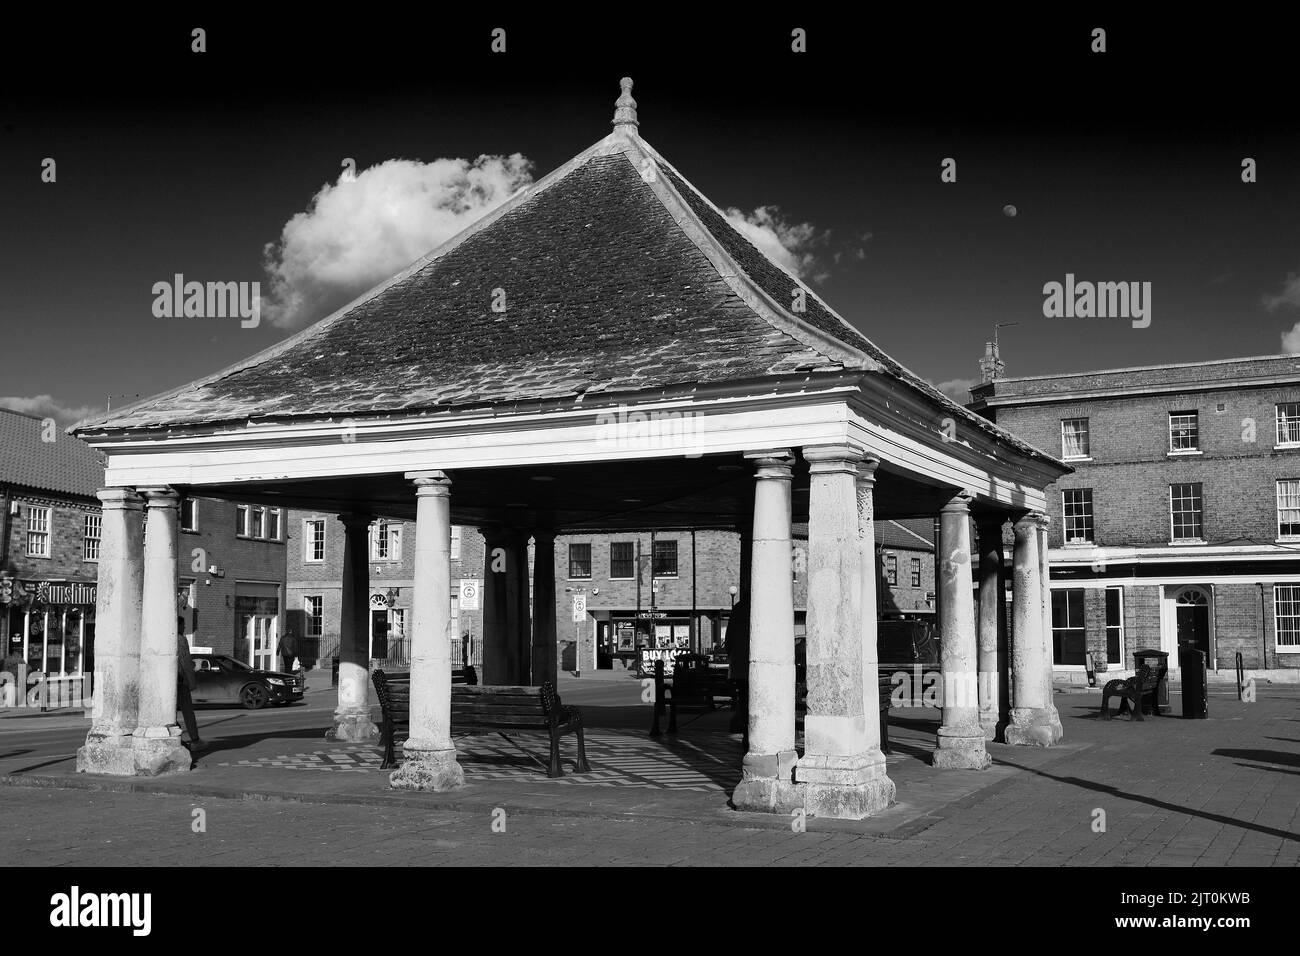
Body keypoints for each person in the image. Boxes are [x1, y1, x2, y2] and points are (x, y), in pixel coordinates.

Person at [176, 631, 202, 750]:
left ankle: (177, 737)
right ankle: (195, 740)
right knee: (188, 712)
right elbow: (185, 661)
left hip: (169, 681)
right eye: (183, 625)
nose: (185, 627)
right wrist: (191, 681)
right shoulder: (181, 639)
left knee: (170, 712)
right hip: (181, 681)